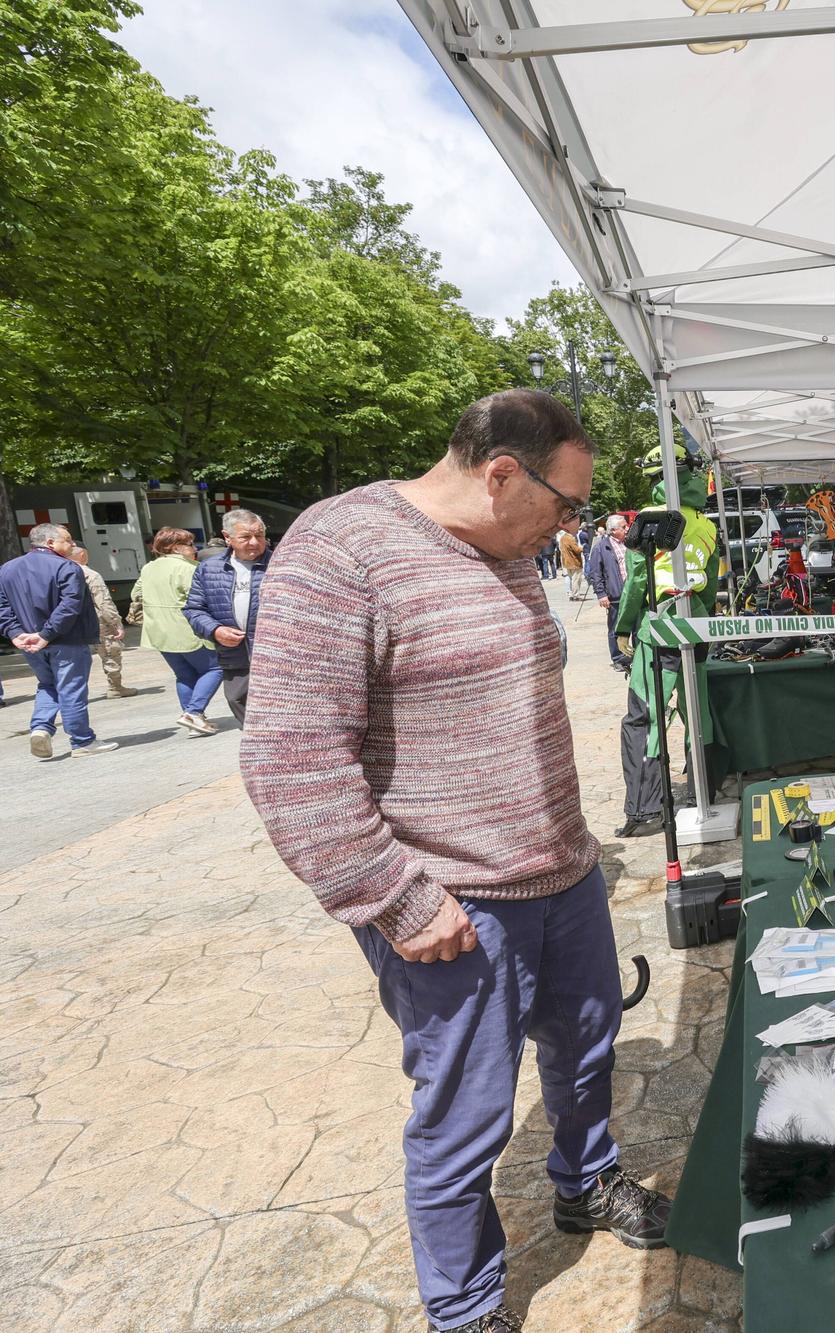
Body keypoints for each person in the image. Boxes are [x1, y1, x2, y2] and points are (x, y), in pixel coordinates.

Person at [240, 389, 671, 1333]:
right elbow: (290, 757)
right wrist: (392, 896)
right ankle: (466, 1305)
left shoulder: (507, 551)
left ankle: (584, 1180)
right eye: (567, 505)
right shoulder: (340, 549)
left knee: (585, 1048)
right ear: (501, 473)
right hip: (452, 901)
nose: (573, 527)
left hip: (561, 871)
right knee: (463, 1117)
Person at [612, 444, 720, 838]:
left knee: (645, 715)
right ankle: (702, 791)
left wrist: (623, 627)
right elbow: (711, 584)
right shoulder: (707, 526)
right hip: (698, 626)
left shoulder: (650, 520)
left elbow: (638, 582)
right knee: (698, 712)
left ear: (657, 477)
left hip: (659, 630)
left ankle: (647, 808)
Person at [0, 523, 115, 758]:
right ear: (50, 542)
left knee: (47, 684)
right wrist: (45, 634)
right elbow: (69, 606)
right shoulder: (67, 567)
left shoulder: (7, 569)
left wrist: (15, 633)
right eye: (68, 540)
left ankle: (41, 727)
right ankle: (82, 740)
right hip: (66, 640)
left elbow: (2, 607)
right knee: (71, 689)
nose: (72, 544)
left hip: (30, 642)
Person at [131, 528, 223, 735]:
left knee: (184, 675)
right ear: (176, 547)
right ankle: (194, 713)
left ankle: (193, 720)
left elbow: (135, 593)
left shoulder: (148, 568)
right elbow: (202, 598)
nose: (194, 548)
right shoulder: (188, 568)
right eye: (190, 544)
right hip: (185, 629)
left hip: (158, 630)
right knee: (214, 668)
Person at [183, 509, 269, 725]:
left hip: (275, 656)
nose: (254, 542)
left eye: (259, 535)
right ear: (227, 537)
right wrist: (215, 630)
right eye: (245, 537)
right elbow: (194, 609)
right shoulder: (209, 569)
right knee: (238, 700)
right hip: (236, 655)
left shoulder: (281, 563)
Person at [67, 544, 135, 698]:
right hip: (96, 620)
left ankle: (71, 694)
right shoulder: (90, 574)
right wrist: (116, 622)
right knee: (110, 651)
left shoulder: (59, 572)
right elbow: (103, 602)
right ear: (83, 555)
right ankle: (115, 687)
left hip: (69, 622)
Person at [586, 512, 631, 671]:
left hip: (631, 593)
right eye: (624, 527)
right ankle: (618, 658)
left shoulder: (629, 543)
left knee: (636, 627)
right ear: (613, 530)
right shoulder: (601, 547)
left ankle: (635, 655)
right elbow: (595, 573)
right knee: (615, 628)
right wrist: (601, 594)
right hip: (615, 595)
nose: (627, 529)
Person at [558, 525, 586, 599]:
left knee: (571, 579)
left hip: (567, 562)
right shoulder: (570, 538)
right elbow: (577, 550)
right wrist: (583, 547)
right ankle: (576, 595)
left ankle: (571, 594)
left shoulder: (562, 538)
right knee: (576, 579)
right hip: (574, 562)